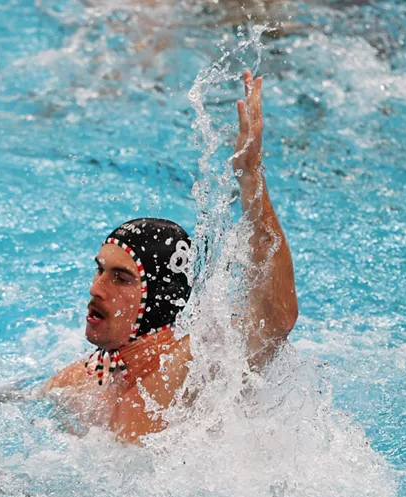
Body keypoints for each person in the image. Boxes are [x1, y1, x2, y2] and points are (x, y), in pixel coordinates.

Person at [46, 71, 298, 441]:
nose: (96, 289)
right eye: (100, 271)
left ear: (156, 299)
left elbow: (276, 316)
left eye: (120, 277)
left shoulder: (189, 370)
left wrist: (250, 179)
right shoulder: (85, 382)